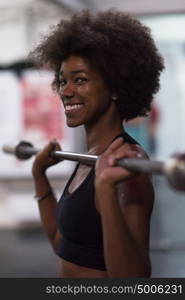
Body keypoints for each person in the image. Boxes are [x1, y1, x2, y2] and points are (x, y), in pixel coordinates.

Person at [30, 9, 164, 278]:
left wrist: (105, 189)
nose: (66, 92)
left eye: (80, 80)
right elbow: (63, 245)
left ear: (116, 87)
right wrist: (39, 175)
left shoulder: (127, 165)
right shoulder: (88, 159)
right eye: (63, 81)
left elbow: (133, 281)